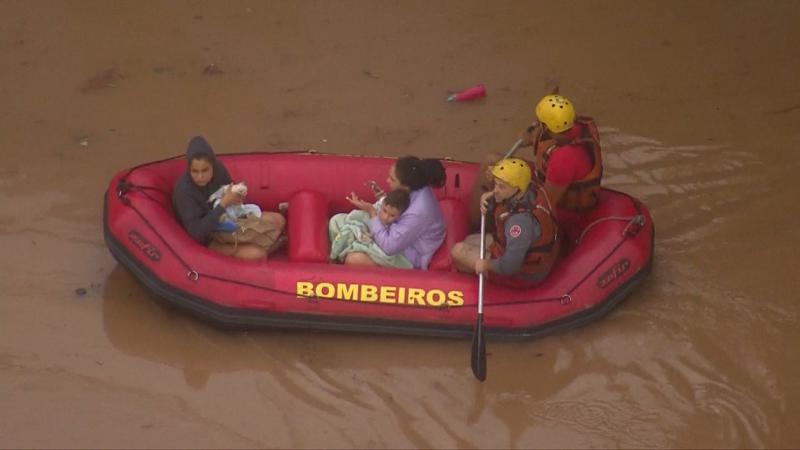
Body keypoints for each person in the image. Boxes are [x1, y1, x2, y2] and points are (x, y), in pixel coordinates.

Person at [172, 136, 286, 260]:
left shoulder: (219, 170)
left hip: (231, 220)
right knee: (257, 254)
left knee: (278, 220)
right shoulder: (184, 191)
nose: (200, 177)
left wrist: (238, 196)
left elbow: (231, 190)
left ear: (212, 166)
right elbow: (197, 234)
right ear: (189, 169)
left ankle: (255, 243)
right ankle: (265, 247)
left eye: (205, 170)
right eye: (195, 171)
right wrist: (223, 204)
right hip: (210, 238)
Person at [452, 158, 559, 287]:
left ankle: (466, 284)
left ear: (516, 189)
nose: (496, 190)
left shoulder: (519, 224)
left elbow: (510, 266)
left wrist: (486, 264)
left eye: (501, 186)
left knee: (457, 251)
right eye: (496, 184)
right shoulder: (530, 188)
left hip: (524, 273)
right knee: (470, 239)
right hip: (521, 251)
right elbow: (503, 196)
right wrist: (491, 195)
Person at [343, 156, 446, 270]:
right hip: (399, 238)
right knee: (341, 221)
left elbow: (389, 246)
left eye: (392, 179)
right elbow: (398, 212)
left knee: (354, 260)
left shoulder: (418, 212)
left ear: (405, 185)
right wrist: (383, 199)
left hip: (411, 256)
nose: (387, 181)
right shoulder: (415, 187)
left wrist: (372, 213)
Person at [329, 189, 413, 268]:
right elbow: (362, 218)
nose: (385, 217)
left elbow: (388, 248)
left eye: (392, 215)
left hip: (377, 251)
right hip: (364, 234)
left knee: (353, 258)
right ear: (383, 204)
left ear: (400, 216)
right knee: (336, 221)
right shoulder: (378, 207)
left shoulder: (398, 227)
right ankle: (335, 254)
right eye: (384, 211)